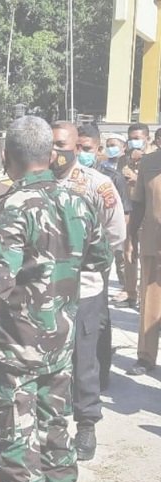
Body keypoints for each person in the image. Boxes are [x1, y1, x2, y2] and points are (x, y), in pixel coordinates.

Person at [0, 116, 112, 482]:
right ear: (50, 154)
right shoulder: (82, 200)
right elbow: (100, 258)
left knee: (16, 441)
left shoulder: (8, 210)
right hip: (61, 341)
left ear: (8, 157)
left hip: (16, 350)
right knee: (56, 429)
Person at [50, 122, 125, 461]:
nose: (58, 151)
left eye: (64, 145)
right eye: (52, 144)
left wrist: (86, 262)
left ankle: (86, 424)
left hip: (85, 285)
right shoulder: (37, 182)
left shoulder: (98, 184)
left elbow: (115, 234)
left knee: (84, 356)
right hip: (44, 288)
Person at [125, 145, 161, 376]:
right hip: (153, 242)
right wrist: (130, 237)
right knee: (150, 303)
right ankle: (146, 357)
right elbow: (138, 203)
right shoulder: (149, 162)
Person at [117, 123, 153, 309]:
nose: (134, 141)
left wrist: (136, 179)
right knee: (129, 250)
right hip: (130, 209)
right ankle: (130, 292)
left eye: (138, 138)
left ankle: (147, 294)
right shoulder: (123, 160)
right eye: (131, 138)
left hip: (150, 211)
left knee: (149, 254)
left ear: (147, 138)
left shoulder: (154, 159)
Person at [98, 134, 131, 289]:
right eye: (108, 145)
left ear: (124, 147)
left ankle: (126, 287)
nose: (110, 148)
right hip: (102, 218)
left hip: (123, 215)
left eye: (114, 145)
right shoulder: (101, 167)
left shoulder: (127, 164)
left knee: (122, 256)